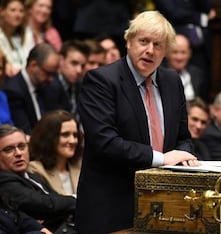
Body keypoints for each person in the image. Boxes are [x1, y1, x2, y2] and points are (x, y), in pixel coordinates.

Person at [76, 11, 199, 233]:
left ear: (166, 52)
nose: (150, 50)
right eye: (143, 41)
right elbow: (105, 142)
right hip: (113, 210)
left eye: (158, 45)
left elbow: (183, 138)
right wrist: (162, 159)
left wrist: (184, 158)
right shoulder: (102, 81)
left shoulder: (172, 82)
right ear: (129, 41)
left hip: (165, 208)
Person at [0, 124, 76, 232]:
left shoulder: (31, 176)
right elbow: (46, 205)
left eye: (22, 146)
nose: (18, 153)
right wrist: (76, 200)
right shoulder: (3, 180)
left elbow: (56, 201)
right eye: (8, 149)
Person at [2, 42, 66, 135]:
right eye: (47, 73)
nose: (51, 79)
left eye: (54, 74)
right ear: (33, 65)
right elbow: (24, 130)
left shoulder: (51, 86)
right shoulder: (13, 90)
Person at [28, 110, 83, 196]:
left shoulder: (81, 165)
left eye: (75, 135)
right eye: (65, 135)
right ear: (49, 137)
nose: (73, 141)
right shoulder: (35, 169)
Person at [0, 0, 35, 76]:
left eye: (21, 11)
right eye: (13, 10)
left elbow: (32, 58)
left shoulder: (27, 32)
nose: (17, 15)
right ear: (2, 12)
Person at [165, 34, 206, 101]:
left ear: (190, 54)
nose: (179, 57)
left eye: (183, 52)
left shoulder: (197, 74)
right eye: (175, 52)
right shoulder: (158, 75)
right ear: (166, 53)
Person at [53, 39, 89, 115]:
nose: (79, 70)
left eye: (82, 66)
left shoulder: (80, 86)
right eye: (74, 63)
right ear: (61, 60)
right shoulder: (49, 85)